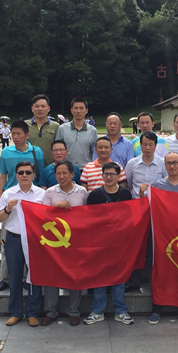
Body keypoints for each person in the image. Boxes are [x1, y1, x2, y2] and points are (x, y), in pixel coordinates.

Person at [140, 152, 178, 326]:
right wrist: (142, 193)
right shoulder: (158, 186)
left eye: (175, 162)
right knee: (161, 272)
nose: (172, 166)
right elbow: (148, 206)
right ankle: (157, 308)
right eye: (168, 163)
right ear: (165, 166)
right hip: (163, 236)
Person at [0, 120, 45, 292]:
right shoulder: (6, 152)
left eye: (18, 134)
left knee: (29, 243)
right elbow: (2, 177)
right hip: (11, 200)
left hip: (31, 201)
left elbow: (40, 175)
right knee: (6, 242)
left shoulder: (36, 152)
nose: (15, 137)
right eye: (13, 134)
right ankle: (4, 278)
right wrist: (1, 200)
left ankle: (27, 278)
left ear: (27, 135)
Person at [0, 161, 45, 327]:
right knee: (15, 276)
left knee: (35, 276)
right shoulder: (8, 193)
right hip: (14, 239)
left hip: (34, 240)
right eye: (21, 172)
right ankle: (15, 312)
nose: (24, 175)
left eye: (28, 172)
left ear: (33, 175)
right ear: (16, 175)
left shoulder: (41, 194)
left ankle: (32, 312)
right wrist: (8, 209)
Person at [84, 162, 135, 326]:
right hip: (100, 243)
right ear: (102, 175)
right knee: (100, 276)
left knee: (119, 277)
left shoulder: (126, 194)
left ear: (119, 176)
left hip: (119, 243)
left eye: (112, 174)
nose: (109, 177)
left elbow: (129, 217)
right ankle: (97, 311)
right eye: (106, 174)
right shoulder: (94, 195)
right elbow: (88, 219)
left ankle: (121, 311)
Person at [40, 160, 88, 327]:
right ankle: (50, 311)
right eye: (58, 173)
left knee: (75, 275)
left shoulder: (82, 192)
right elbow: (42, 216)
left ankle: (74, 311)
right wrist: (56, 206)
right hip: (55, 242)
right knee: (52, 276)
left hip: (75, 241)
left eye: (64, 173)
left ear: (72, 174)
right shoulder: (50, 192)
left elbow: (88, 216)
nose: (61, 176)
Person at [124, 131, 167, 291]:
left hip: (157, 210)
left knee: (155, 245)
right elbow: (128, 185)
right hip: (137, 210)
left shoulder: (162, 163)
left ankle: (153, 279)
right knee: (137, 245)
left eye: (151, 144)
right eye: (145, 144)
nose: (148, 148)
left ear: (156, 146)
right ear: (140, 145)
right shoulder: (132, 163)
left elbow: (166, 185)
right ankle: (134, 281)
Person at [56, 97, 97, 170]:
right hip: (67, 169)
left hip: (86, 169)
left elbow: (94, 152)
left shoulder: (92, 131)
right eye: (76, 108)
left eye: (81, 108)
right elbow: (57, 150)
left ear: (86, 110)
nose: (78, 111)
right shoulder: (62, 129)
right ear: (71, 110)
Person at [25, 94, 60, 166]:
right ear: (32, 108)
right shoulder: (24, 125)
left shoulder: (56, 126)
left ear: (48, 108)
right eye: (37, 106)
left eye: (43, 106)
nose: (40, 109)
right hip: (29, 167)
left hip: (50, 167)